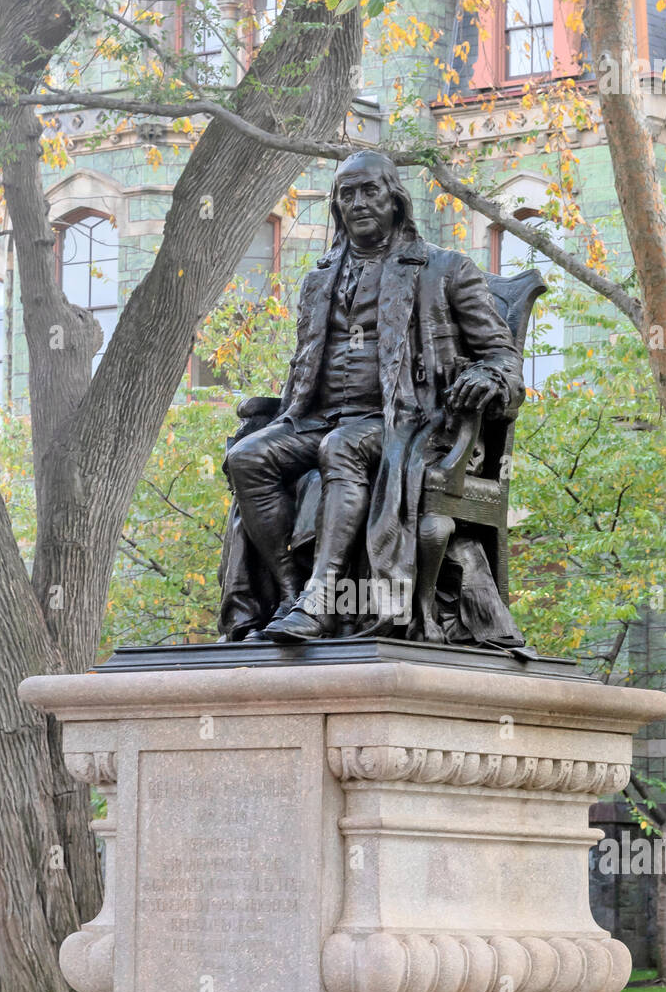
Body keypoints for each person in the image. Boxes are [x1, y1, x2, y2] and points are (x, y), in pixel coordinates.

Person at [221, 150, 525, 643]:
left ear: (395, 200)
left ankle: (322, 602)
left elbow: (504, 360)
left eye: (369, 191)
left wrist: (487, 379)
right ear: (337, 205)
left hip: (408, 424)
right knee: (248, 456)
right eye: (346, 194)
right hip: (316, 419)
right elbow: (305, 370)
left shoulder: (444, 270)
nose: (357, 202)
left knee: (341, 445)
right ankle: (292, 593)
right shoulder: (319, 279)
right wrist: (277, 415)